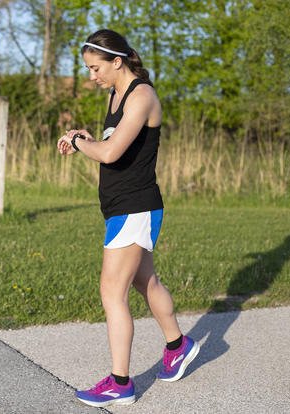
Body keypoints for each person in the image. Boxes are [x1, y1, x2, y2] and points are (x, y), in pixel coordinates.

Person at [57, 29, 200, 408]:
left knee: (111, 291)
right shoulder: (116, 93)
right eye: (88, 69)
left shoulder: (142, 95)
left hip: (134, 207)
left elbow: (110, 153)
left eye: (95, 68)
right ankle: (178, 345)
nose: (92, 76)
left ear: (116, 61)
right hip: (123, 206)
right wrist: (89, 137)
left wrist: (79, 143)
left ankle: (120, 383)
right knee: (145, 281)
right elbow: (112, 142)